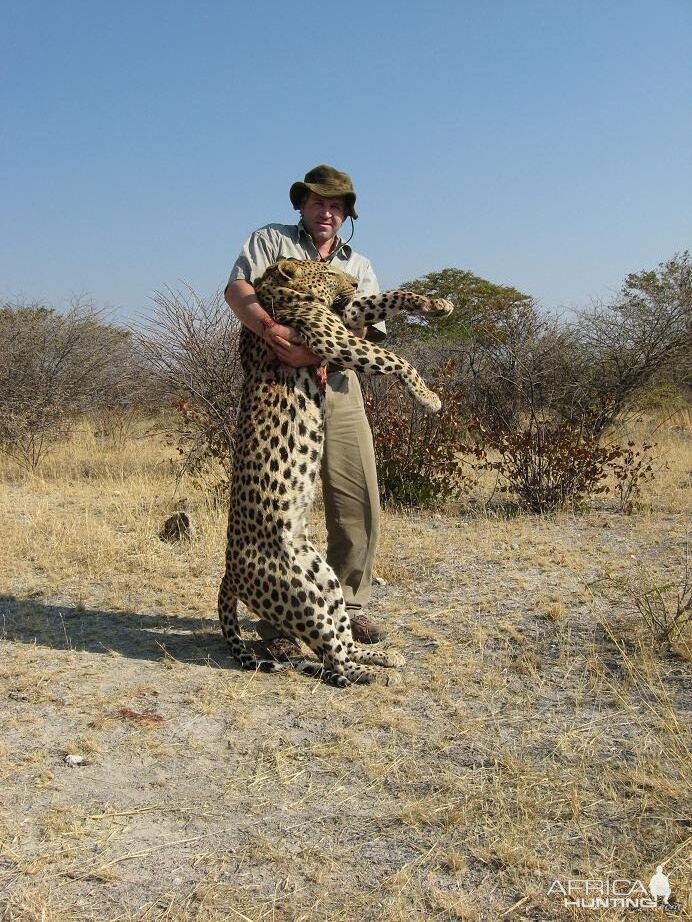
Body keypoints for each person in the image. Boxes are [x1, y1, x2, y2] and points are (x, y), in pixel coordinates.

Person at [224, 164, 387, 658]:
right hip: (277, 389)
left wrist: (314, 352)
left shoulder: (358, 265)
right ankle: (278, 622)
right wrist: (268, 329)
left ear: (345, 215)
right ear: (302, 204)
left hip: (335, 384)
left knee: (358, 501)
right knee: (274, 511)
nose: (327, 212)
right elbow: (237, 290)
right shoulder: (270, 242)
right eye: (319, 202)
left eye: (337, 206)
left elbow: (362, 330)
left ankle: (345, 607)